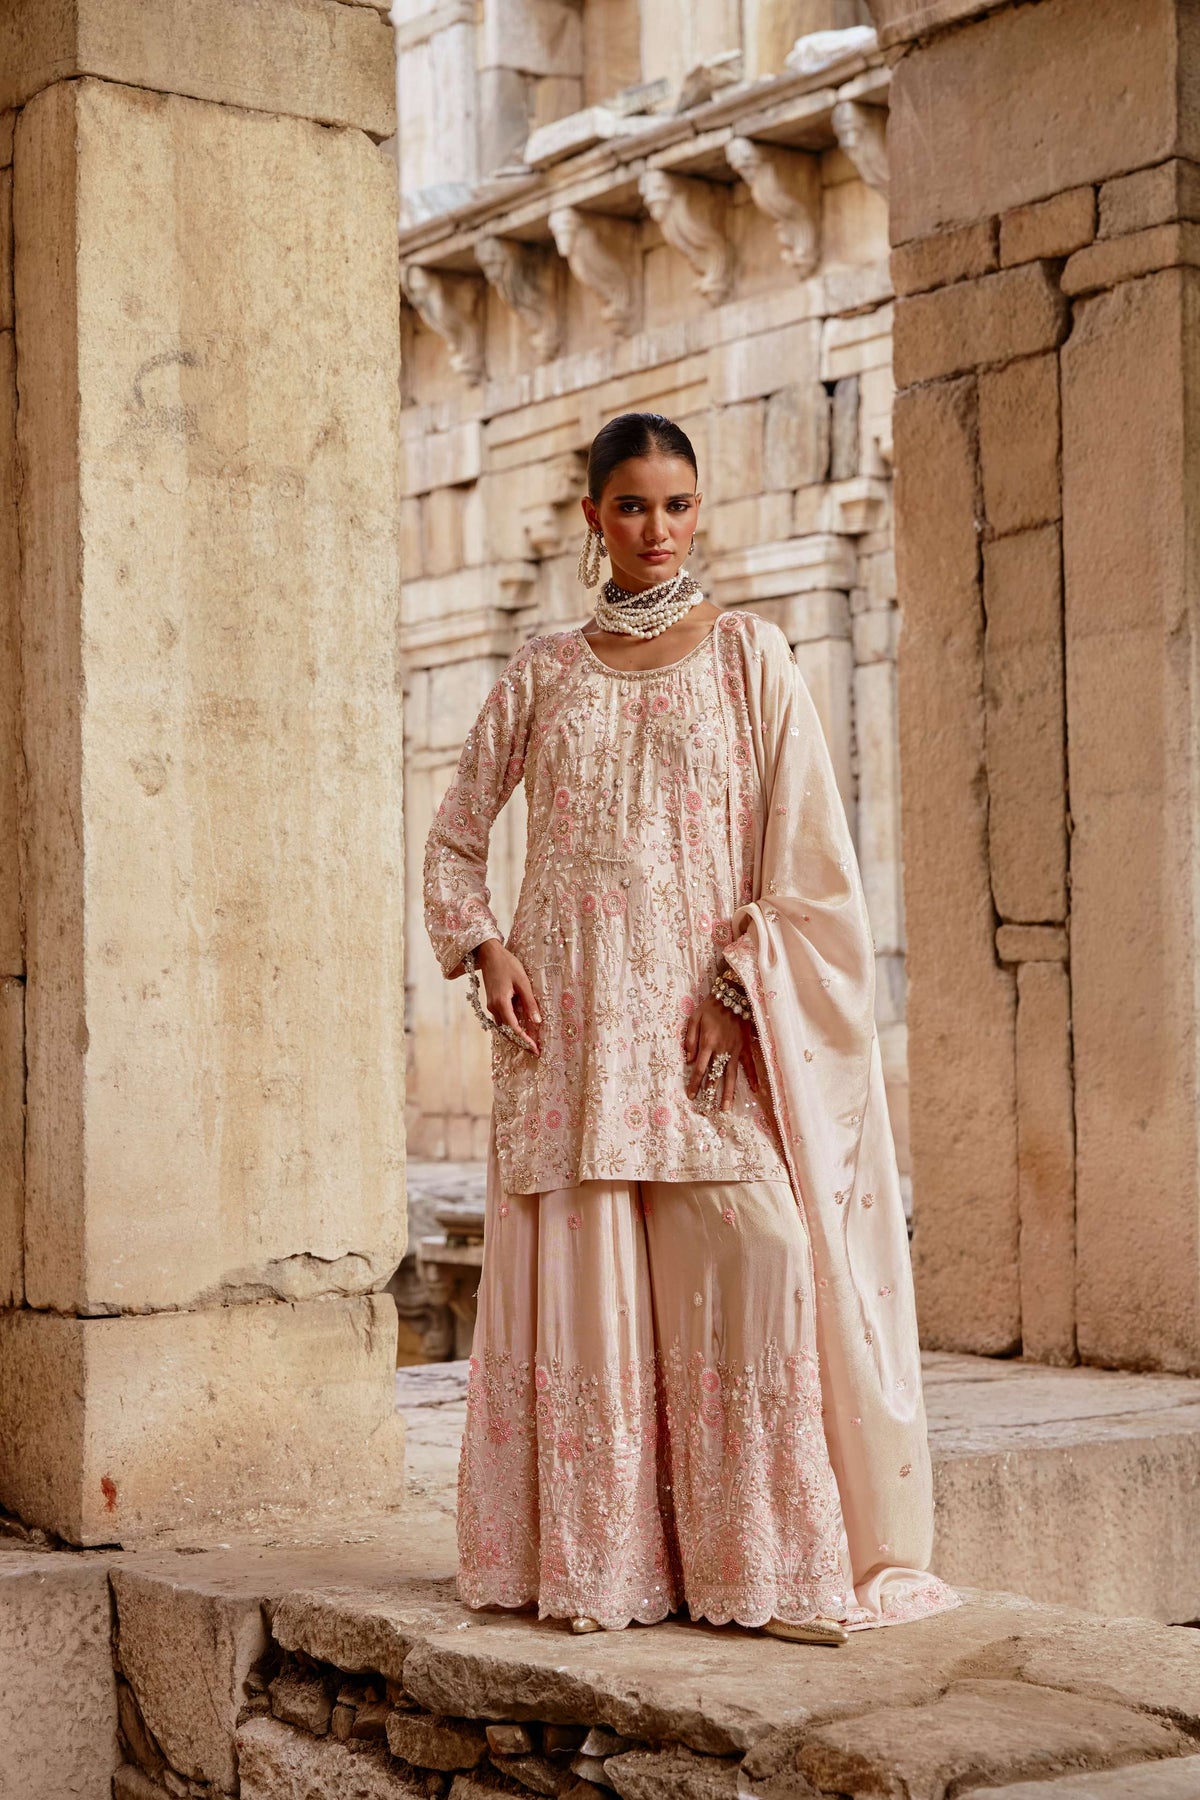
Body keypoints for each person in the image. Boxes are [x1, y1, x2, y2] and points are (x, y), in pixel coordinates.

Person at [423, 411, 959, 1641]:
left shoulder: (749, 659)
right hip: (564, 1043)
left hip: (700, 1037)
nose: (655, 529)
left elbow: (812, 864)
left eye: (675, 505)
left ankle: (755, 1565)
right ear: (593, 518)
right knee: (593, 1301)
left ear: (698, 509)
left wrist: (734, 990)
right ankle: (603, 1570)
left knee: (765, 1256)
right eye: (631, 506)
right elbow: (453, 839)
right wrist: (484, 946)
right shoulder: (543, 672)